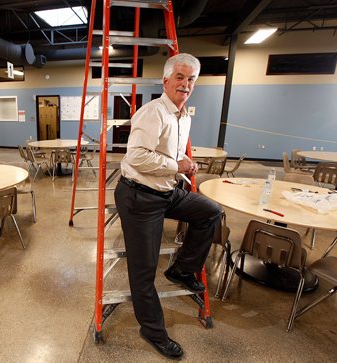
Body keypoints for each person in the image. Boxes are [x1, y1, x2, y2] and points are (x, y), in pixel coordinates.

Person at [114, 53, 221, 360]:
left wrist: (184, 166)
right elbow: (135, 157)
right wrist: (177, 164)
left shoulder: (182, 115)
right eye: (180, 77)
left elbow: (169, 156)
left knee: (210, 212)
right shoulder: (153, 113)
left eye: (191, 80)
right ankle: (152, 330)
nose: (186, 85)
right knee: (143, 269)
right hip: (139, 197)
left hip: (166, 190)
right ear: (166, 80)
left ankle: (182, 269)